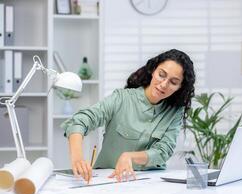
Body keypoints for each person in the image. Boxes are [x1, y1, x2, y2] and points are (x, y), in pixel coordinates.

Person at [61, 49, 195, 183]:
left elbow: (163, 151)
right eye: (161, 75)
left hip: (151, 183)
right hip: (108, 180)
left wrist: (130, 157)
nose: (164, 84)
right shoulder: (121, 99)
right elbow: (80, 121)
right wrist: (77, 158)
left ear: (180, 87)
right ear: (153, 70)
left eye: (173, 82)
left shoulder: (175, 112)